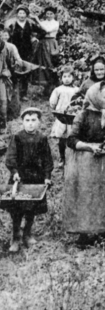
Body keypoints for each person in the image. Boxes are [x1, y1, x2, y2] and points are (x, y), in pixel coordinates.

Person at [63, 83, 105, 242]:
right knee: (87, 194)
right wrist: (90, 147)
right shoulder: (83, 115)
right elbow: (71, 140)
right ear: (95, 97)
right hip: (86, 162)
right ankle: (85, 232)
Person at [2, 108, 53, 252]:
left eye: (33, 120)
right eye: (27, 121)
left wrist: (47, 176)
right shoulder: (17, 137)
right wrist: (14, 171)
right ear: (22, 122)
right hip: (20, 177)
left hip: (36, 177)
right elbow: (10, 157)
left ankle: (27, 233)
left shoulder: (42, 138)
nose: (30, 124)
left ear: (39, 122)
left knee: (32, 207)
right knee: (17, 209)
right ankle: (15, 237)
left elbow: (47, 159)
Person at [8, 5, 44, 100]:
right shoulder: (12, 25)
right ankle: (13, 93)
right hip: (14, 50)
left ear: (26, 15)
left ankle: (23, 94)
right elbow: (6, 36)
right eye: (20, 13)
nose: (22, 15)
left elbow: (42, 32)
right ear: (17, 14)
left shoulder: (30, 24)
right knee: (14, 70)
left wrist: (35, 38)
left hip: (27, 51)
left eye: (24, 13)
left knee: (26, 71)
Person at [49, 66, 79, 165]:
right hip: (61, 116)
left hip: (72, 116)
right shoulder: (58, 90)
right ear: (61, 78)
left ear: (73, 77)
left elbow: (80, 102)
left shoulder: (76, 90)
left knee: (72, 137)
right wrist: (55, 109)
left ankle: (73, 157)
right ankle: (62, 157)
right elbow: (52, 102)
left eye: (69, 76)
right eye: (64, 76)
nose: (66, 79)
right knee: (62, 138)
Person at [34, 6, 60, 95]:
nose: (49, 15)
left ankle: (52, 86)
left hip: (51, 43)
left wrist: (37, 20)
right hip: (42, 43)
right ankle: (43, 86)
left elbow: (47, 30)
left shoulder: (56, 23)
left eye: (51, 14)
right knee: (41, 63)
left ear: (54, 15)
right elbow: (38, 31)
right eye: (47, 14)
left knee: (50, 63)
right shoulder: (43, 22)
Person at [0, 28, 19, 132]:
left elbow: (8, 64)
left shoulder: (4, 47)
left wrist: (6, 71)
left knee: (2, 100)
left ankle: (2, 125)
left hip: (1, 78)